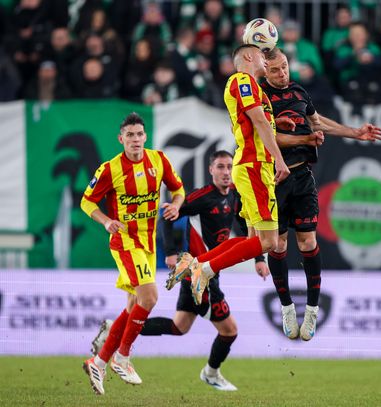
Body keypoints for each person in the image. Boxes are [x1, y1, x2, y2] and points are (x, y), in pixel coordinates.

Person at [91, 151, 269, 391]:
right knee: (230, 331)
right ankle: (211, 373)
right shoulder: (202, 197)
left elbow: (245, 229)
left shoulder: (234, 196)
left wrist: (259, 258)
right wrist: (171, 251)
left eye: (229, 167)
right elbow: (166, 217)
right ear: (211, 170)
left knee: (179, 327)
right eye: (220, 167)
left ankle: (115, 329)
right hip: (199, 275)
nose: (226, 172)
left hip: (208, 271)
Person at [261, 47, 381, 341]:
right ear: (264, 72)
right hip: (273, 179)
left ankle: (312, 310)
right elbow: (266, 135)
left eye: (285, 66)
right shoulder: (259, 96)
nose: (282, 73)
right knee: (277, 245)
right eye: (275, 70)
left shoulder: (299, 91)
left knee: (308, 242)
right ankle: (287, 307)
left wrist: (354, 132)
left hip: (302, 176)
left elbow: (317, 123)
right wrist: (304, 137)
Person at [165, 44, 290, 305]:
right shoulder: (243, 80)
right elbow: (258, 121)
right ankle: (204, 270)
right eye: (262, 56)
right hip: (255, 166)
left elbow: (258, 121)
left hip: (253, 166)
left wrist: (276, 123)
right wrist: (279, 159)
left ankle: (197, 263)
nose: (266, 61)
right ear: (248, 56)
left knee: (253, 240)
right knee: (270, 242)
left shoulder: (253, 87)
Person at [80, 112, 185, 396]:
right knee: (149, 297)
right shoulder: (110, 169)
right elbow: (87, 202)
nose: (135, 139)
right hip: (125, 241)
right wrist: (106, 221)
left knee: (133, 306)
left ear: (145, 136)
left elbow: (179, 189)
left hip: (148, 243)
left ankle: (98, 362)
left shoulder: (158, 160)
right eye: (130, 135)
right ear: (121, 139)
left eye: (139, 134)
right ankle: (122, 357)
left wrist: (176, 205)